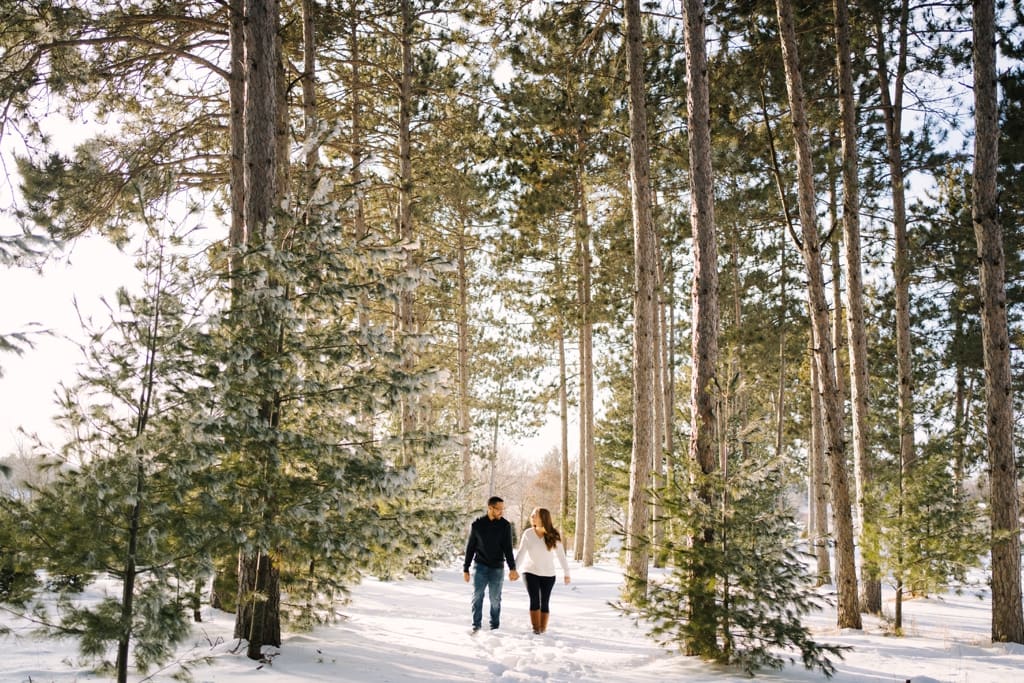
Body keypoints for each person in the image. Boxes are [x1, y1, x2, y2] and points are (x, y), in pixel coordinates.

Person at [463, 496, 519, 632]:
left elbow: (507, 548)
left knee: (495, 599)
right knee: (477, 596)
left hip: (497, 568)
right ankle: (476, 625)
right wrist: (466, 568)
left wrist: (512, 568)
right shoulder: (478, 524)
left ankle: (495, 626)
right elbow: (471, 547)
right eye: (499, 509)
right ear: (490, 508)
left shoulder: (505, 526)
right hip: (480, 566)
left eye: (502, 509)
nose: (501, 511)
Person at [514, 507, 571, 634]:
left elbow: (561, 555)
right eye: (532, 514)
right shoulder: (528, 533)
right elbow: (521, 553)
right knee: (534, 600)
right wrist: (514, 570)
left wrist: (566, 573)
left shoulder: (554, 535)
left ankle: (542, 629)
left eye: (535, 515)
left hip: (548, 574)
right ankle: (536, 630)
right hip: (530, 572)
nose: (532, 516)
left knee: (544, 602)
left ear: (543, 518)